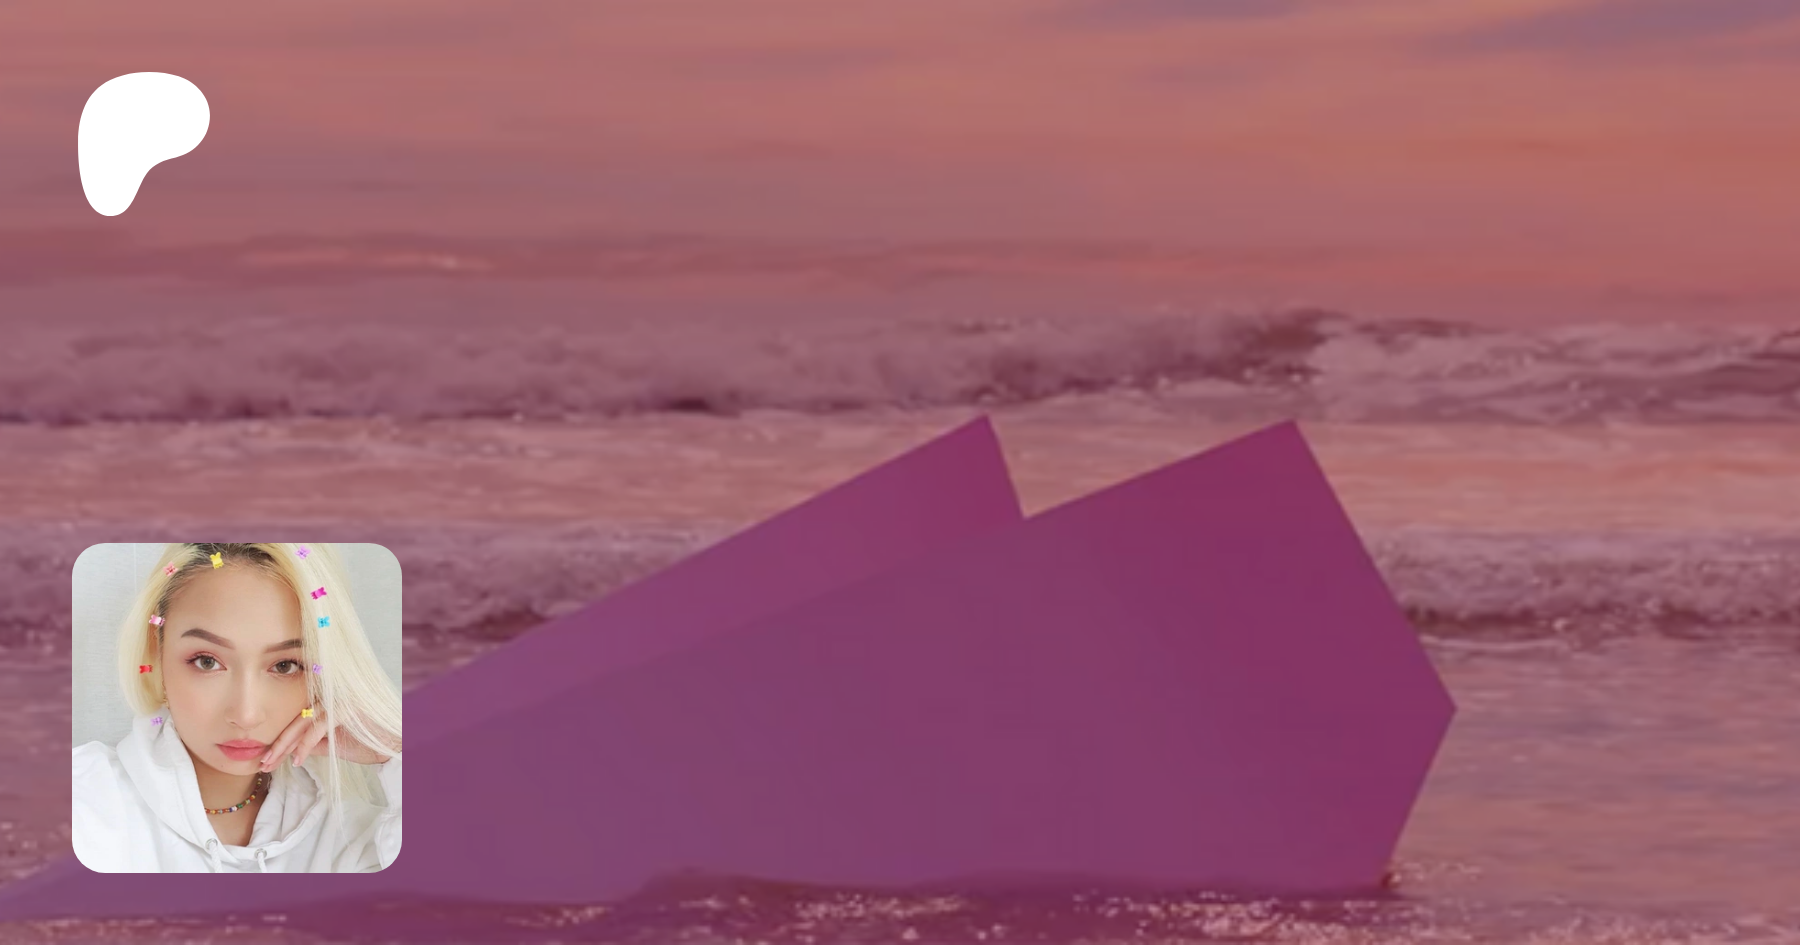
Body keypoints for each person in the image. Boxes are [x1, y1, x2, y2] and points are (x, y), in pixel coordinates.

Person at [72, 543, 402, 872]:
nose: (246, 716)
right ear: (156, 655)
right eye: (206, 661)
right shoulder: (82, 801)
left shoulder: (356, 837)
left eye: (285, 666)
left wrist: (397, 751)